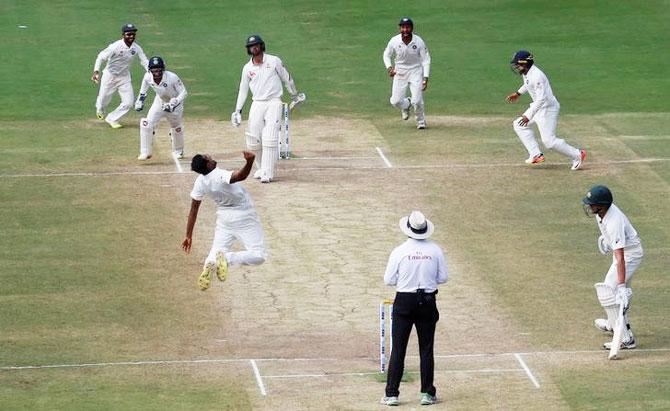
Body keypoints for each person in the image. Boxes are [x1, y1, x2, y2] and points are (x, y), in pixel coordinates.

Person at [381, 211, 448, 406]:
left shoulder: (399, 251)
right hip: (427, 300)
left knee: (398, 348)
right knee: (426, 349)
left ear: (408, 230)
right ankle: (427, 393)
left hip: (404, 300)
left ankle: (392, 394)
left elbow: (388, 280)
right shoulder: (435, 250)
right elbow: (443, 277)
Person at [181, 152, 267, 291]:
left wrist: (188, 235)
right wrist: (250, 161)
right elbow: (241, 176)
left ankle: (210, 262)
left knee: (216, 252)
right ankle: (227, 259)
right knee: (259, 255)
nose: (210, 156)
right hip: (244, 217)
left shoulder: (200, 181)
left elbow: (193, 210)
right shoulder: (219, 175)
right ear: (208, 164)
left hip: (224, 220)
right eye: (207, 157)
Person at [231, 34, 304, 183]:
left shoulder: (274, 61)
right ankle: (262, 168)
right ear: (249, 49)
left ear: (261, 46)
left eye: (256, 45)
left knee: (270, 137)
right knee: (253, 139)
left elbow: (287, 78)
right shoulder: (247, 68)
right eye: (252, 46)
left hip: (274, 102)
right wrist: (237, 110)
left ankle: (268, 173)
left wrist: (294, 95)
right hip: (257, 103)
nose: (254, 48)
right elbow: (243, 90)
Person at [582, 185, 643, 350]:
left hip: (630, 255)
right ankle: (612, 323)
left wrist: (622, 286)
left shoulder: (614, 221)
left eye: (592, 204)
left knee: (609, 290)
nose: (589, 206)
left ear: (602, 205)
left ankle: (625, 338)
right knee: (615, 293)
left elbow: (621, 256)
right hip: (625, 252)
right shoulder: (601, 212)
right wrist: (606, 240)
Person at [506, 50, 586, 169]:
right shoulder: (527, 73)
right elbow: (528, 84)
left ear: (525, 64)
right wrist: (518, 93)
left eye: (518, 64)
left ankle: (578, 154)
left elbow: (541, 99)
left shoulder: (537, 76)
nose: (517, 67)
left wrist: (528, 116)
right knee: (518, 125)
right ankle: (536, 155)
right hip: (538, 107)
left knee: (549, 142)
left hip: (547, 109)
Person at [92, 23, 149, 129]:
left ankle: (112, 118)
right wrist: (96, 71)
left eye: (133, 34)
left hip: (124, 78)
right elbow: (100, 57)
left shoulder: (136, 48)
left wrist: (151, 72)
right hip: (110, 76)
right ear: (123, 35)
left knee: (128, 102)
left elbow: (144, 61)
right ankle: (99, 108)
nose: (131, 36)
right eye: (128, 34)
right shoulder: (115, 46)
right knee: (104, 99)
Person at [134, 56, 188, 160]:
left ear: (163, 69)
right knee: (147, 123)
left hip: (175, 104)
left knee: (176, 127)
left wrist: (174, 103)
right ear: (150, 70)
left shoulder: (172, 77)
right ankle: (145, 152)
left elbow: (184, 92)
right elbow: (143, 91)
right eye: (154, 70)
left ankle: (178, 151)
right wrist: (140, 101)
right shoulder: (147, 77)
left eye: (159, 70)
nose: (157, 72)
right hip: (159, 102)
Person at [383, 17, 431, 130]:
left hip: (415, 71)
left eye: (407, 27)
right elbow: (386, 55)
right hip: (400, 72)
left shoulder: (418, 41)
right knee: (395, 101)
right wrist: (389, 68)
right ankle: (406, 104)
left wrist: (425, 78)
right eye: (403, 27)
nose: (405, 30)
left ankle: (421, 121)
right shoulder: (394, 41)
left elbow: (426, 60)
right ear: (400, 28)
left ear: (411, 28)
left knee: (417, 100)